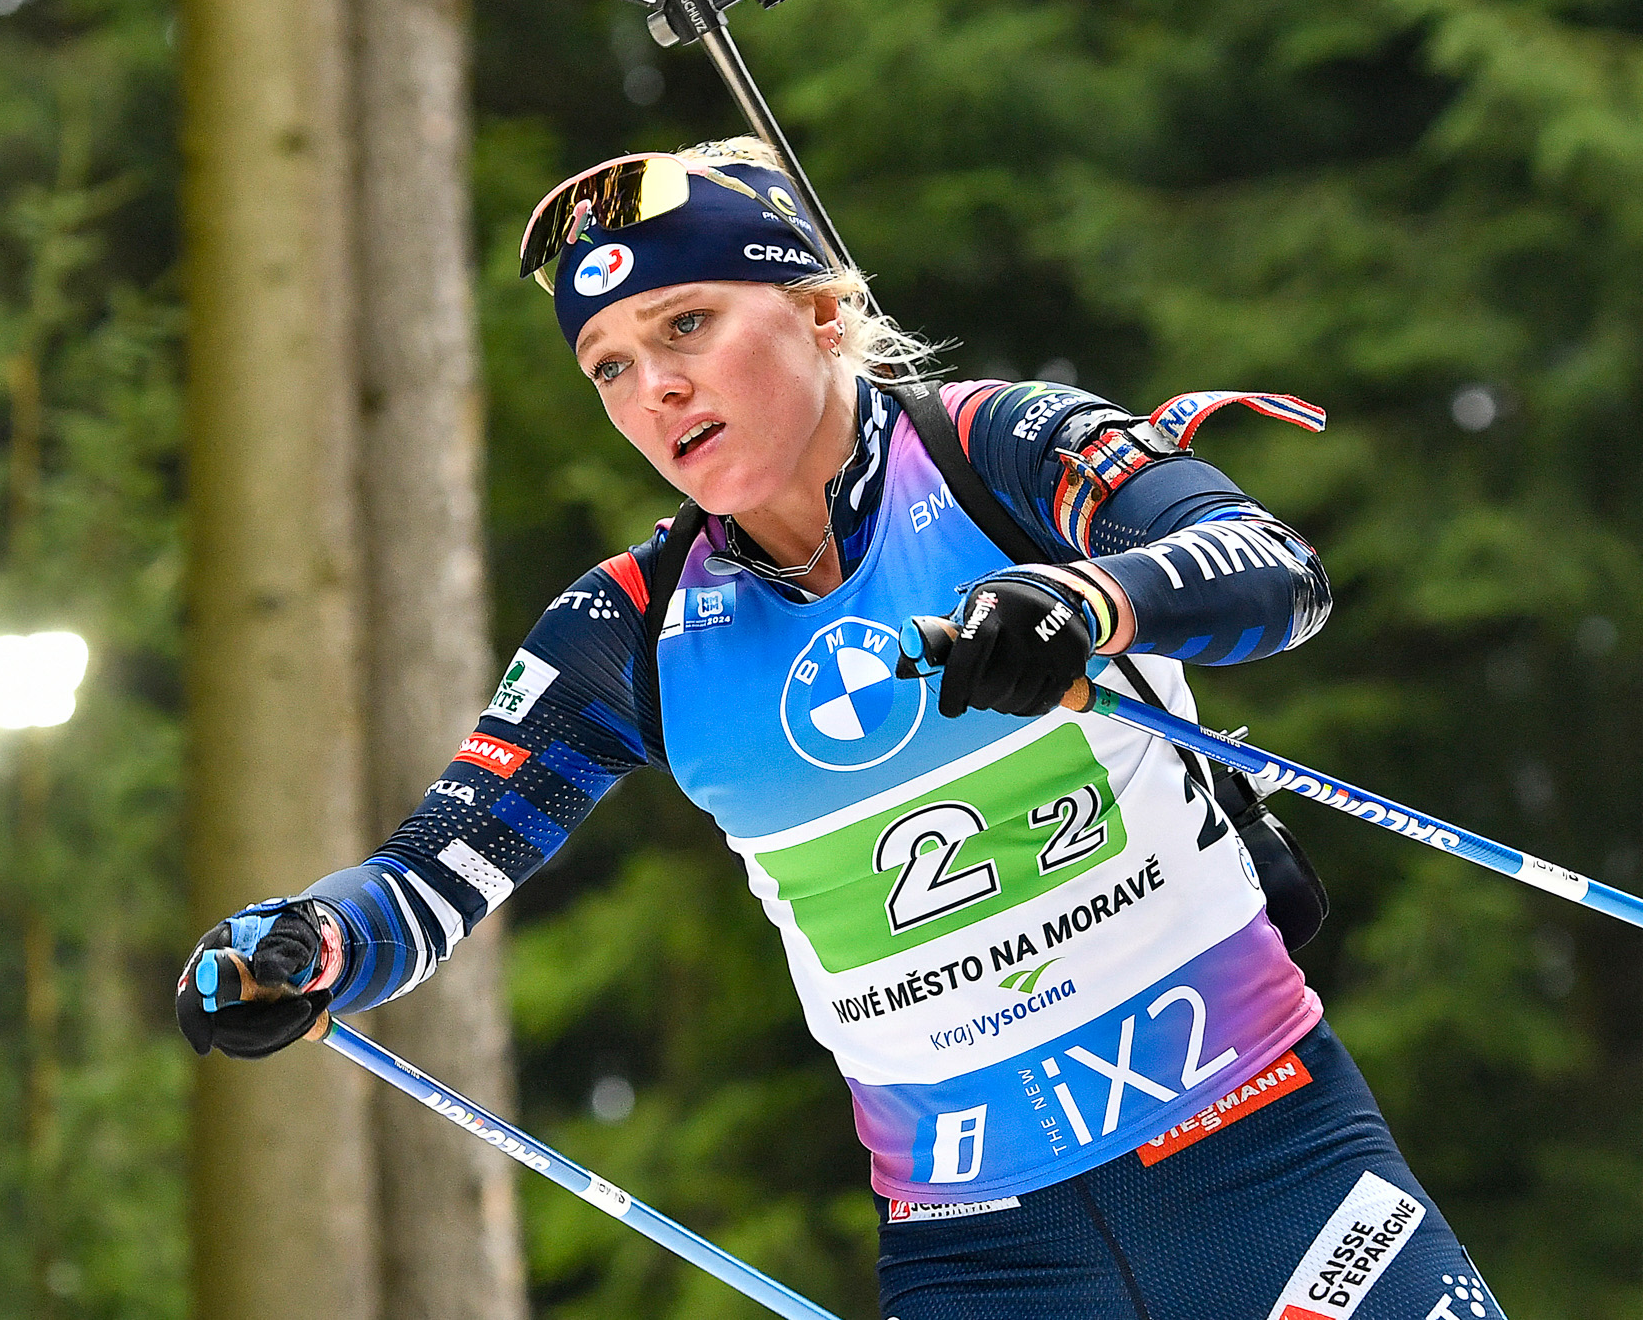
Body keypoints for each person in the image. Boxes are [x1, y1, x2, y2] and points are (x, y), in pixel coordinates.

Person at [176, 138, 1505, 1320]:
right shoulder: (629, 627)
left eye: (687, 323)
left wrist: (1086, 601)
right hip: (982, 1257)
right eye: (612, 366)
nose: (655, 390)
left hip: (1270, 1169)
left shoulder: (999, 449)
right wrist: (314, 943)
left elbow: (1273, 568)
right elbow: (440, 865)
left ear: (818, 310)